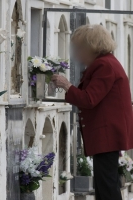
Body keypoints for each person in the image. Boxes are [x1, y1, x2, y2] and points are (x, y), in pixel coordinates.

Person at [52, 24, 133, 200]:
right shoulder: (105, 63)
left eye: (79, 48)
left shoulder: (104, 65)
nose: (77, 54)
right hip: (107, 134)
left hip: (107, 134)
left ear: (91, 46)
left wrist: (67, 85)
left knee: (106, 186)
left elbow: (89, 99)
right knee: (105, 184)